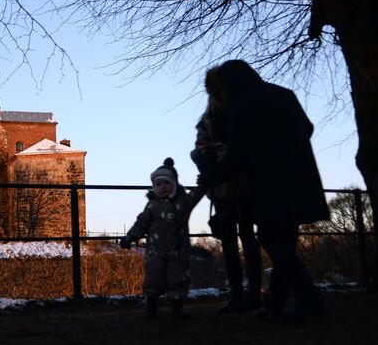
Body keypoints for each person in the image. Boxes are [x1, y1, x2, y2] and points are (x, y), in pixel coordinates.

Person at [197, 59, 330, 319]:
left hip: (271, 181)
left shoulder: (241, 104)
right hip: (301, 177)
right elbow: (308, 128)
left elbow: (238, 152)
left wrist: (212, 176)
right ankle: (275, 304)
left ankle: (310, 298)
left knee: (272, 239)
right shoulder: (283, 94)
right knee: (284, 243)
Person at [191, 87, 263, 314]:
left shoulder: (217, 118)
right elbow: (199, 150)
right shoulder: (216, 119)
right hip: (230, 185)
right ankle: (242, 293)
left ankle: (248, 294)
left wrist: (212, 160)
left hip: (236, 185)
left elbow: (201, 150)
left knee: (242, 239)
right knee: (238, 240)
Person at [120, 157, 205, 320]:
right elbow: (142, 222)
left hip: (178, 251)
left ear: (174, 184)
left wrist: (203, 183)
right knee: (153, 278)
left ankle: (177, 309)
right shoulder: (152, 205)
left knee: (177, 279)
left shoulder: (183, 202)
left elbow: (196, 194)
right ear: (154, 187)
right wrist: (131, 235)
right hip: (155, 251)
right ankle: (151, 307)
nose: (162, 187)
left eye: (166, 183)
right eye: (158, 184)